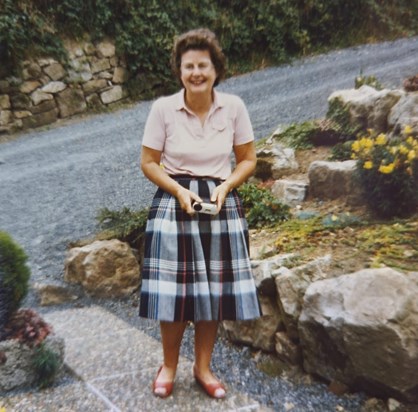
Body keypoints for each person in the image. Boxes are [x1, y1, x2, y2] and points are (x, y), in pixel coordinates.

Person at [139, 28, 261, 399]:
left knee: (215, 292)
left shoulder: (234, 108)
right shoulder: (163, 109)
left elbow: (248, 160)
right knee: (173, 296)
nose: (196, 72)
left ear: (215, 69)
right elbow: (148, 163)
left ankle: (203, 367)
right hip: (175, 202)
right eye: (188, 65)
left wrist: (225, 187)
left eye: (203, 65)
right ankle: (169, 365)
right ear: (179, 71)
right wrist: (178, 190)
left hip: (220, 206)